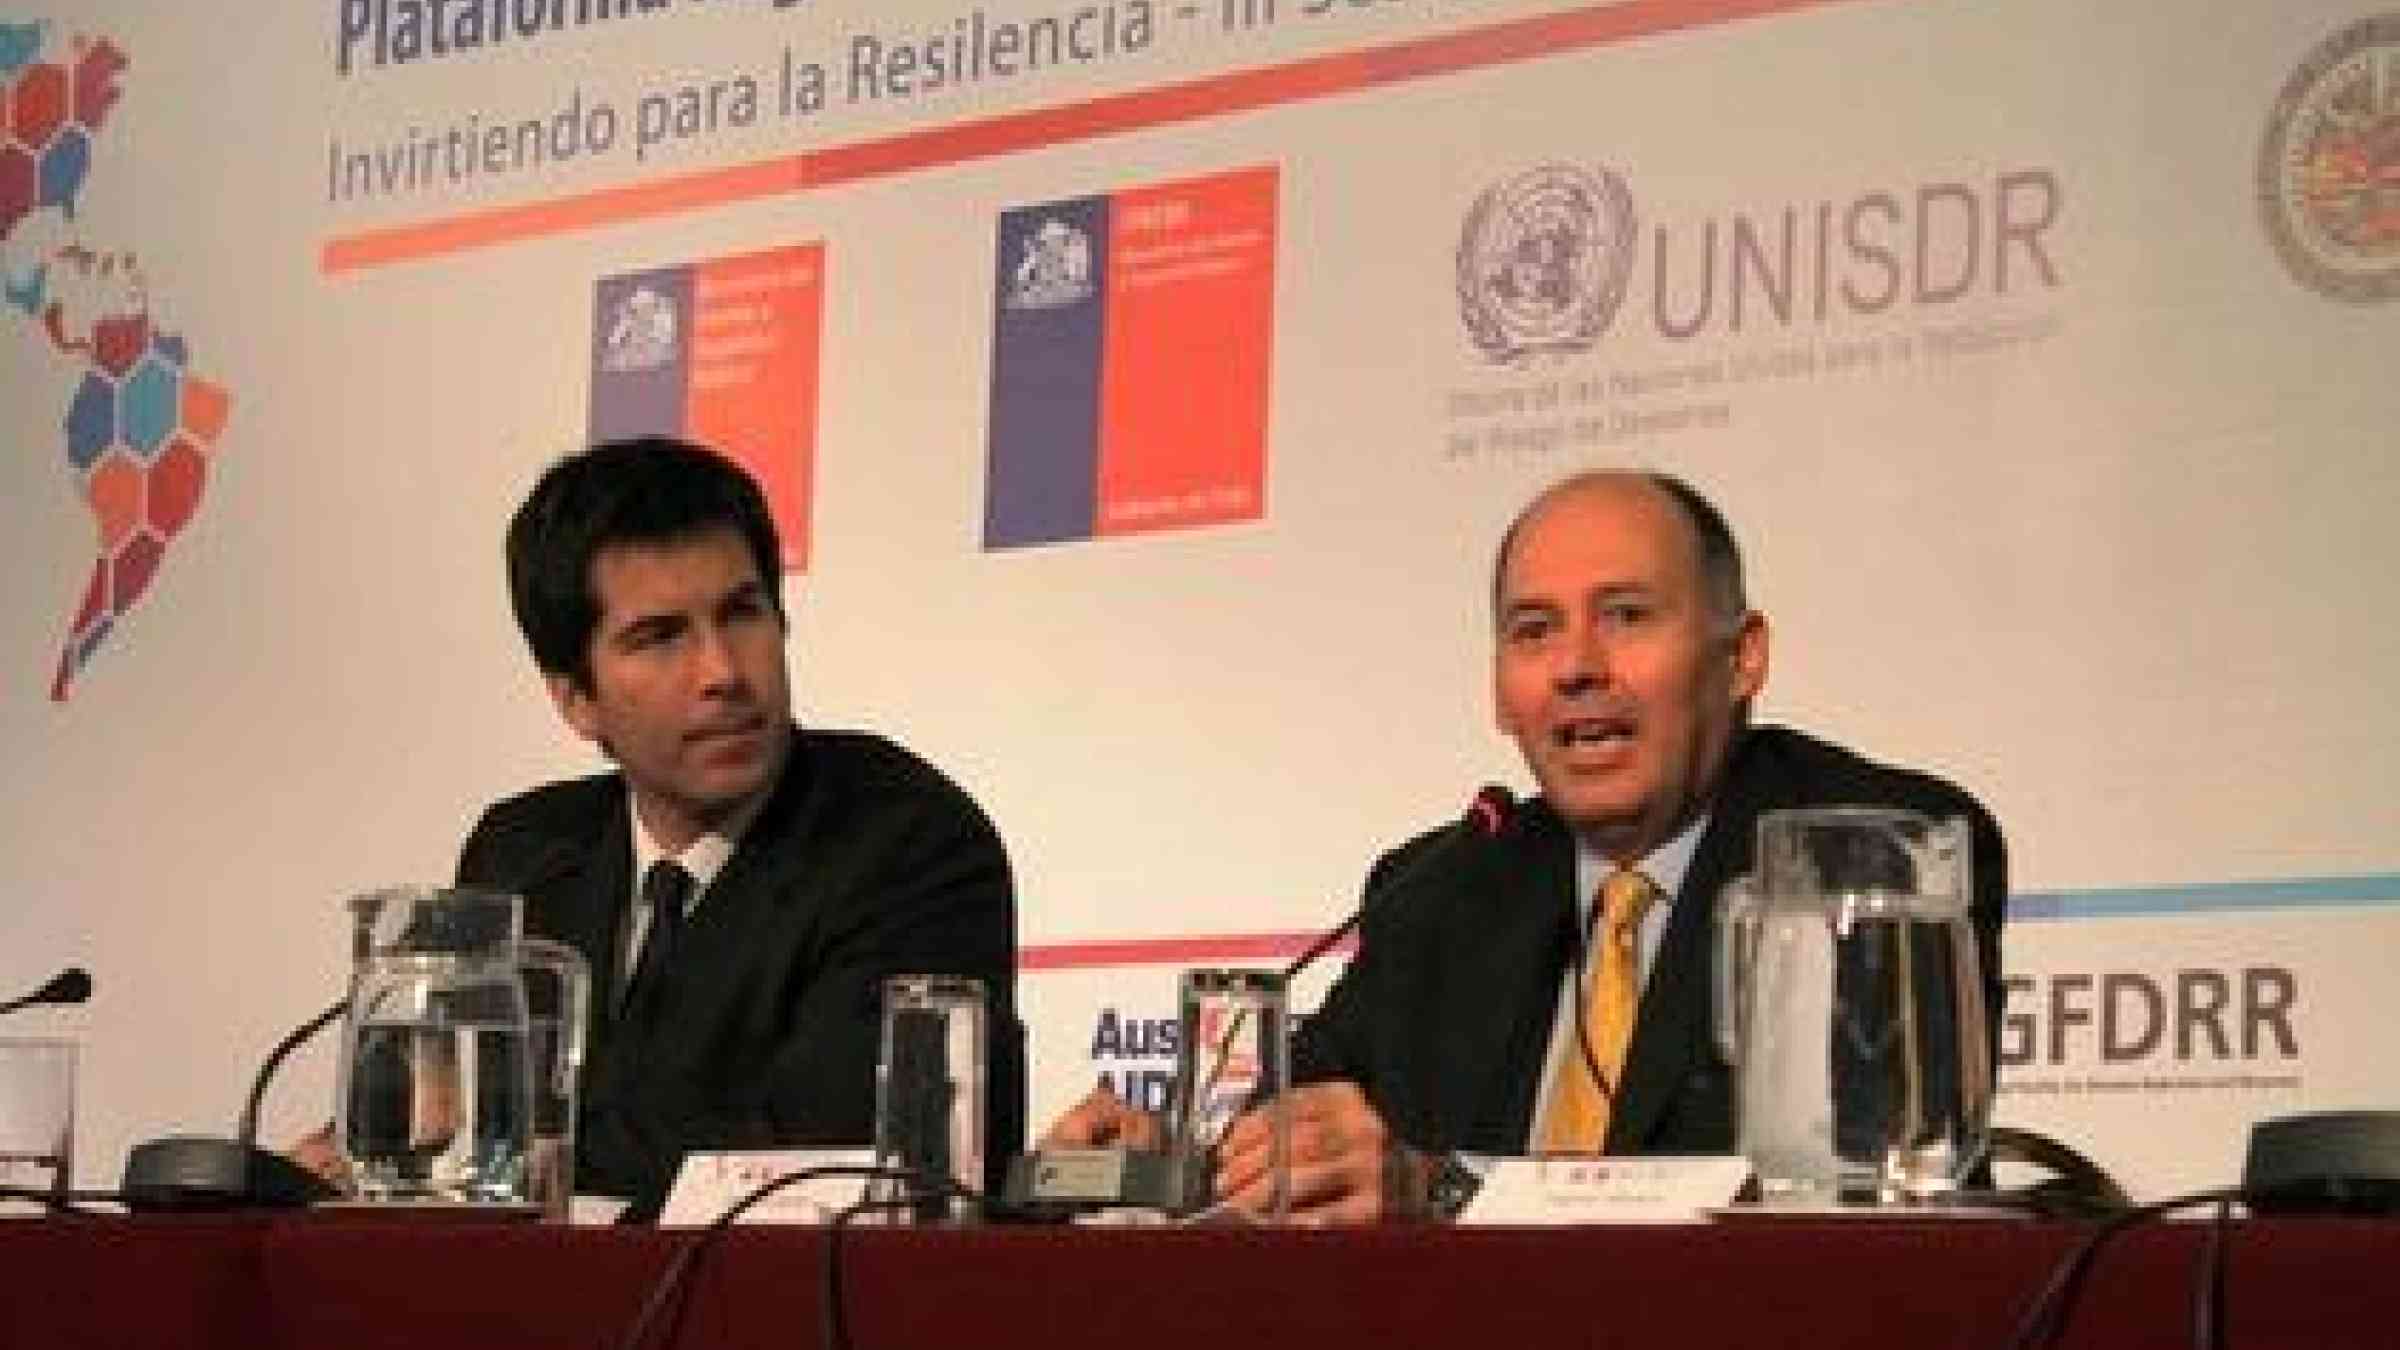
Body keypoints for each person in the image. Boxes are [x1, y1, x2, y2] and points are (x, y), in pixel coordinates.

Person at [1049, 469, 2006, 1222]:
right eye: (1534, 631)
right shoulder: (1444, 889)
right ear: (1501, 693)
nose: (1579, 667)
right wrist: (1171, 1155)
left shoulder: (1873, 855)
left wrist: (1441, 1189)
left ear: (1742, 654)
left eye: (1627, 615)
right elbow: (1307, 1113)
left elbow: (1831, 1192)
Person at [451, 435, 1024, 1208]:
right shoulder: (523, 855)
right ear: (573, 698)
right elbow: (444, 1125)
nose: (723, 672)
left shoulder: (907, 841)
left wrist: (513, 1152)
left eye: (742, 614)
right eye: (660, 637)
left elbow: (820, 1151)